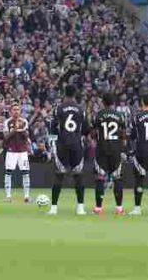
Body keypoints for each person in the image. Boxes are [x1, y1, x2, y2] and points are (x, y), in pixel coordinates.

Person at [47, 86, 88, 216]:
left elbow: (52, 127)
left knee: (59, 175)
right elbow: (86, 128)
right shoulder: (81, 109)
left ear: (64, 94)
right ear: (75, 94)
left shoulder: (58, 108)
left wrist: (55, 139)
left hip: (62, 144)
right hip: (76, 144)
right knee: (78, 175)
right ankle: (80, 207)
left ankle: (53, 208)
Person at [92, 91, 126, 216]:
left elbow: (93, 133)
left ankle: (98, 208)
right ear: (113, 102)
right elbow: (123, 134)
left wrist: (98, 138)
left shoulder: (98, 115)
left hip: (102, 149)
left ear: (103, 102)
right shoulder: (120, 115)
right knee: (117, 178)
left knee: (100, 178)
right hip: (116, 149)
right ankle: (119, 208)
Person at [1, 103, 31, 203]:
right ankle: (8, 196)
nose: (16, 111)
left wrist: (20, 129)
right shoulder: (7, 122)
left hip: (22, 151)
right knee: (8, 173)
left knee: (25, 173)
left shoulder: (24, 121)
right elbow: (5, 137)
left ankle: (26, 196)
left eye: (18, 109)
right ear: (11, 111)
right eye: (14, 109)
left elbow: (27, 135)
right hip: (11, 151)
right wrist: (14, 130)